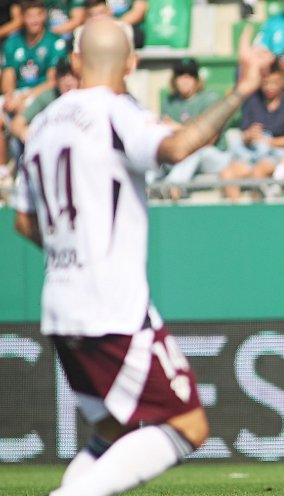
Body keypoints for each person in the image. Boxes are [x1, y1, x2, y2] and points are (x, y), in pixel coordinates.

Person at [11, 17, 265, 496]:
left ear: (75, 60)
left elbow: (23, 221)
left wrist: (73, 250)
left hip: (60, 302)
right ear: (131, 63)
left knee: (114, 429)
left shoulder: (42, 123)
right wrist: (242, 88)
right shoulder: (114, 111)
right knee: (188, 427)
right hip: (112, 304)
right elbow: (176, 145)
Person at [219, 61, 284, 201]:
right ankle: (234, 215)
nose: (269, 87)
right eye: (266, 83)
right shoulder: (252, 101)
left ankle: (255, 213)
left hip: (277, 154)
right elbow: (244, 133)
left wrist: (270, 142)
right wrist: (249, 136)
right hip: (251, 153)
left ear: (281, 82)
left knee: (258, 171)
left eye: (274, 82)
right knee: (227, 174)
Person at [1, 0, 67, 167]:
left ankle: (32, 164)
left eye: (38, 15)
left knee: (26, 114)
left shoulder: (55, 41)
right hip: (18, 95)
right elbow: (8, 75)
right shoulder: (13, 42)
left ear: (44, 15)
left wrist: (24, 97)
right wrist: (10, 97)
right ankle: (3, 171)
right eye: (30, 16)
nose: (34, 20)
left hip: (42, 95)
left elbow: (53, 82)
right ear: (23, 18)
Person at [159, 58, 233, 200]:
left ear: (197, 79)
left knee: (195, 152)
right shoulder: (169, 102)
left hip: (215, 156)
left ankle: (172, 188)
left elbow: (209, 140)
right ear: (174, 79)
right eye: (181, 75)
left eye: (189, 76)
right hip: (181, 156)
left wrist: (179, 130)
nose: (185, 80)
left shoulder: (209, 99)